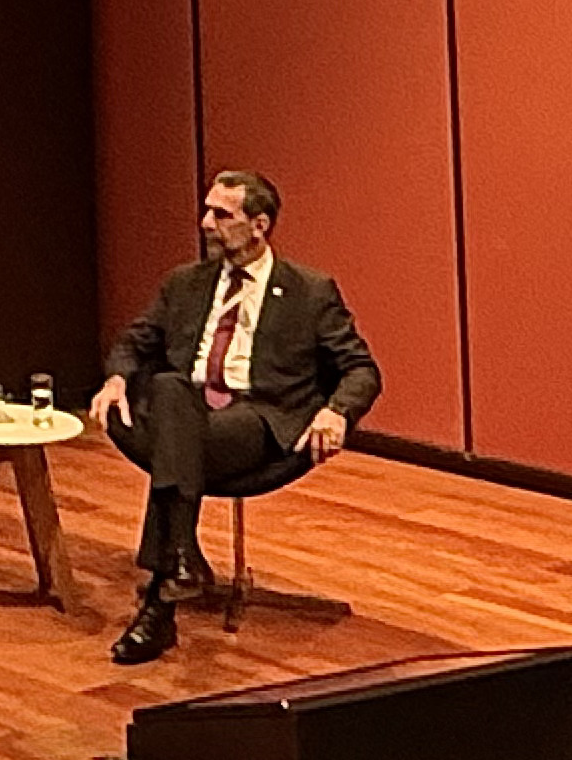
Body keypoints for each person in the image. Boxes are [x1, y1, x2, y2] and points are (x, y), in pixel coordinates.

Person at [93, 168, 380, 666]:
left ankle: (162, 599)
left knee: (175, 434)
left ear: (259, 224)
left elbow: (361, 368)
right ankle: (178, 560)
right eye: (206, 211)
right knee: (168, 390)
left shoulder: (309, 291)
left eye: (221, 214)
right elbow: (134, 341)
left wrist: (336, 411)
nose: (206, 223)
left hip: (260, 417)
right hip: (188, 411)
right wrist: (117, 378)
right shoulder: (184, 283)